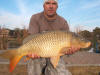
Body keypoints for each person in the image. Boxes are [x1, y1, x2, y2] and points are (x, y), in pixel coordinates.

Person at [26, 0, 79, 75]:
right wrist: (30, 53)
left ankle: (48, 70)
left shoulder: (63, 22)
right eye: (48, 3)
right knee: (33, 60)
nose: (51, 6)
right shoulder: (35, 18)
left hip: (56, 55)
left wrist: (69, 51)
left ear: (57, 6)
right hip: (39, 54)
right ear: (43, 6)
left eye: (54, 3)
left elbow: (66, 49)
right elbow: (31, 39)